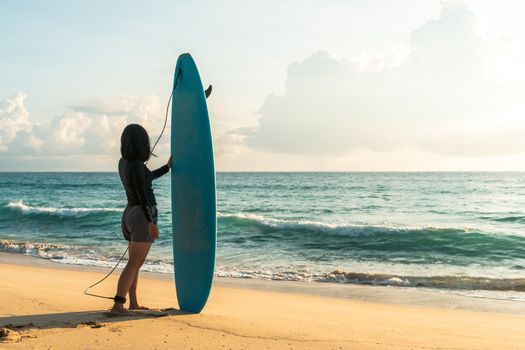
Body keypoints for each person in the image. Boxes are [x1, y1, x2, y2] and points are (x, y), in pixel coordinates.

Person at [111, 123, 172, 315]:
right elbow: (143, 194)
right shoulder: (136, 165)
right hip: (141, 215)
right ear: (141, 142)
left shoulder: (124, 162)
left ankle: (133, 303)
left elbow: (147, 178)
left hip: (130, 213)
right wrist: (150, 222)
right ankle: (118, 305)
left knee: (135, 262)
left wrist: (167, 168)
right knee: (134, 263)